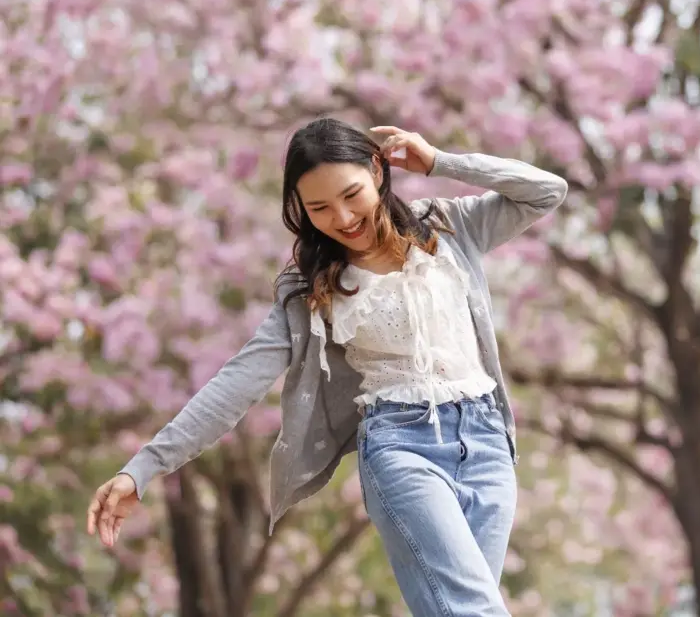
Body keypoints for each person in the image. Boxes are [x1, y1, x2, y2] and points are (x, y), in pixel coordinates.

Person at [85, 118, 568, 616]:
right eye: (318, 208)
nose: (342, 217)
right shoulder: (310, 286)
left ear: (378, 170)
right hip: (403, 448)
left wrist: (440, 162)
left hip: (487, 442)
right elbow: (237, 383)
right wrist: (143, 467)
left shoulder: (448, 227)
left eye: (351, 194)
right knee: (475, 610)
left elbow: (547, 191)